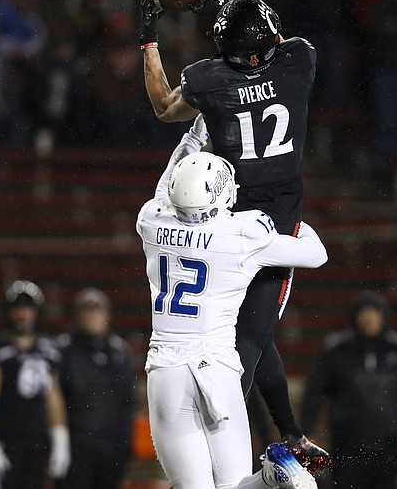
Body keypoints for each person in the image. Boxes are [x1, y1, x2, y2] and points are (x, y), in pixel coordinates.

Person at [140, 0, 328, 470]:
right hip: (277, 220)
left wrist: (149, 39)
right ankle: (241, 441)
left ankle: (281, 435)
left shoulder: (208, 79)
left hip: (221, 213)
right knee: (249, 336)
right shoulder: (298, 60)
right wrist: (227, 7)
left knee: (239, 334)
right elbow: (275, 46)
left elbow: (164, 108)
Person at [136, 115, 326, 489]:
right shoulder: (242, 233)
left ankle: (273, 479)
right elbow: (315, 254)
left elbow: (169, 180)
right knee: (233, 484)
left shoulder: (152, 221)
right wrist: (294, 220)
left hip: (168, 368)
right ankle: (273, 477)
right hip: (219, 367)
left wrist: (194, 135)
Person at [300, 292, 397, 489]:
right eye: (364, 314)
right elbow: (314, 391)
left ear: (383, 316)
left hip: (388, 443)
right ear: (355, 317)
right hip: (347, 441)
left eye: (374, 314)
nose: (369, 320)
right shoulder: (337, 350)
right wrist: (307, 429)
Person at [0, 280, 70, 489]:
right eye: (17, 307)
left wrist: (61, 442)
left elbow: (53, 397)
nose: (22, 313)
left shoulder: (47, 350)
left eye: (27, 307)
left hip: (37, 442)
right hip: (7, 441)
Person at [56, 287, 136, 489]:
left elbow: (127, 404)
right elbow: (56, 400)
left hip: (110, 447)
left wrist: (125, 446)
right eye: (87, 310)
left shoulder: (120, 352)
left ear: (107, 314)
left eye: (97, 310)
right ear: (78, 315)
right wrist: (58, 443)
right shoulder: (63, 350)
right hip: (75, 446)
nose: (92, 315)